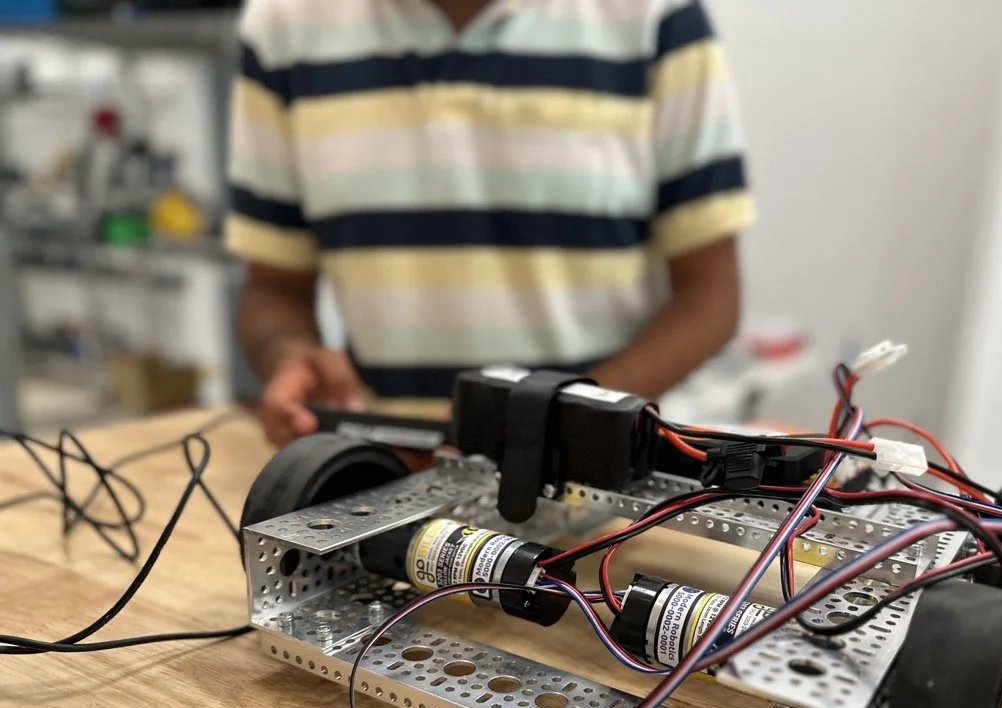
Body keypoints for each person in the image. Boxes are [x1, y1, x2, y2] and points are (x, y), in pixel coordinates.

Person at [226, 0, 754, 445]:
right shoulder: (282, 22)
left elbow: (709, 297)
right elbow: (275, 289)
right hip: (382, 469)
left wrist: (560, 422)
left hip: (602, 478)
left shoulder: (656, 15)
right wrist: (288, 358)